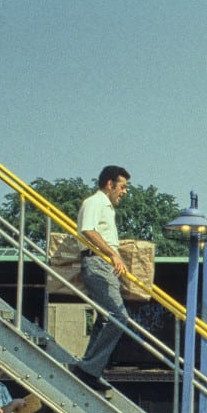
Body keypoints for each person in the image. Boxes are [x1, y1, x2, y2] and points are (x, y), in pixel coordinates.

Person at [68, 165, 131, 392]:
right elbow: (88, 230)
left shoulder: (107, 207)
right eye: (122, 187)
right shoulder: (94, 202)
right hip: (97, 262)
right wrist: (113, 254)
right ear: (109, 184)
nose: (124, 192)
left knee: (105, 319)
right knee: (119, 317)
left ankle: (89, 367)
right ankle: (89, 368)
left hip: (105, 265)